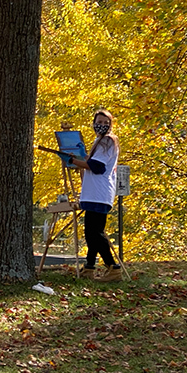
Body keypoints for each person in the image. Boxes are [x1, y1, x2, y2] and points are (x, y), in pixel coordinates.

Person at [67, 109, 122, 281]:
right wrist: (83, 156)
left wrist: (73, 162)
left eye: (106, 123)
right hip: (94, 193)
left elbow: (98, 167)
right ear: (93, 123)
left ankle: (113, 267)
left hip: (99, 193)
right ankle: (89, 267)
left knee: (94, 233)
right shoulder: (99, 141)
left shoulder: (107, 141)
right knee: (92, 232)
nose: (102, 125)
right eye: (100, 122)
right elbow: (93, 162)